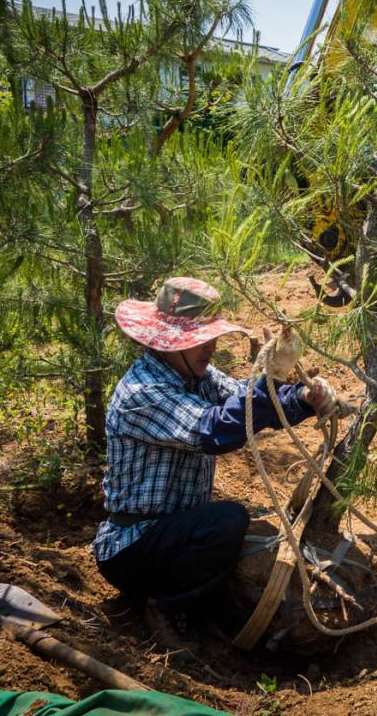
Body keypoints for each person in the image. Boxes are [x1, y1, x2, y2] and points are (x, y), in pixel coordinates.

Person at [92, 276, 336, 648]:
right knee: (227, 521)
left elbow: (246, 397)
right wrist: (271, 377)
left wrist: (302, 397)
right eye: (199, 340)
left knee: (229, 529)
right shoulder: (143, 392)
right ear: (169, 343)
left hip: (170, 535)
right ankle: (166, 607)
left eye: (210, 337)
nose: (211, 347)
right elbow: (214, 430)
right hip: (133, 547)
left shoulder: (195, 375)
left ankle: (197, 600)